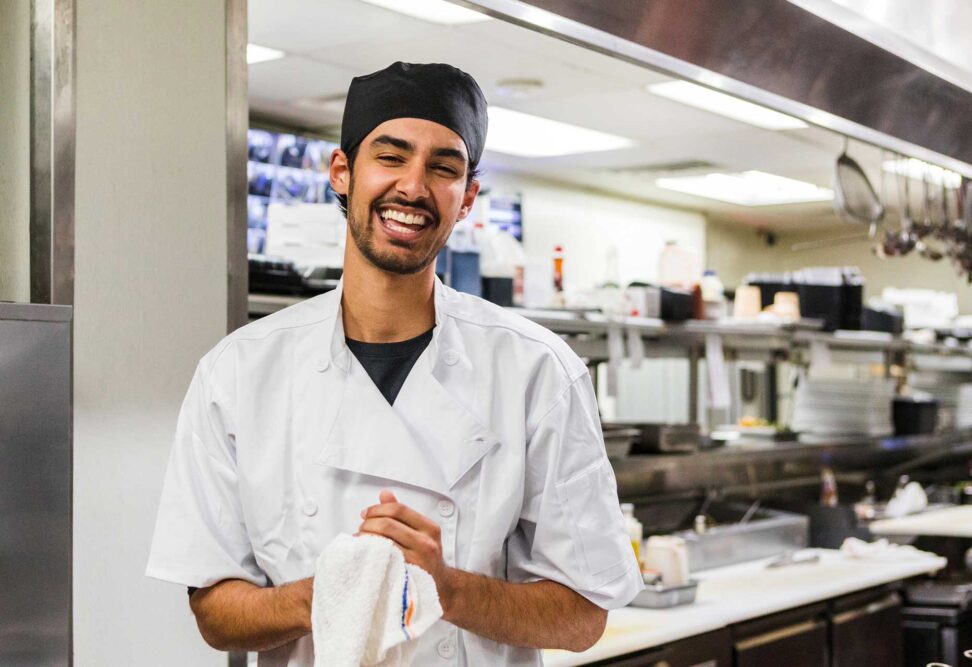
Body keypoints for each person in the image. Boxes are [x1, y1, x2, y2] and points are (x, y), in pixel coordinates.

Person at [146, 61, 642, 666]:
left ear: (467, 200)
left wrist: (446, 586)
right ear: (342, 172)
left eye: (443, 168)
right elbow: (215, 612)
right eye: (391, 155)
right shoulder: (238, 373)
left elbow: (584, 617)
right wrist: (332, 593)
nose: (413, 186)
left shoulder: (538, 371)